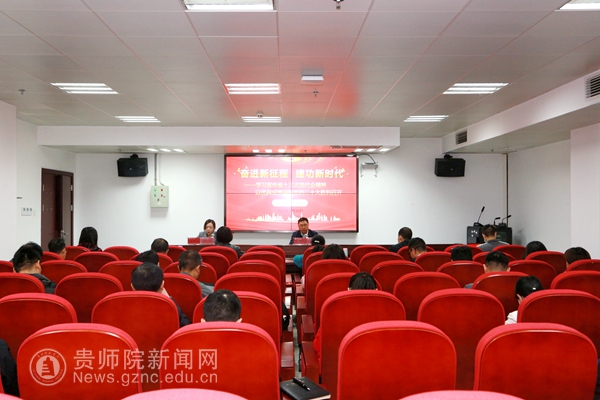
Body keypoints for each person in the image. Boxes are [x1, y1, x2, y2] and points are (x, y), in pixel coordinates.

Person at [313, 272, 377, 361]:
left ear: (349, 290)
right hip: (375, 365)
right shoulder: (389, 312)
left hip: (335, 366)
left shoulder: (333, 311)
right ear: (376, 290)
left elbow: (318, 346)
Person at [130, 263, 191, 327]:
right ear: (162, 285)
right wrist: (170, 301)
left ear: (132, 287)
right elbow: (187, 326)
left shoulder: (124, 307)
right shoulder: (168, 310)